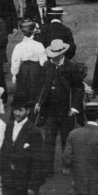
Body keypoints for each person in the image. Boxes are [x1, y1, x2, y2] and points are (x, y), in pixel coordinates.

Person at [0, 97, 62, 195]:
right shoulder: (9, 126)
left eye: (20, 110)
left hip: (25, 180)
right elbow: (4, 150)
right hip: (9, 178)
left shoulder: (34, 132)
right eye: (15, 110)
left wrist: (33, 185)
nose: (17, 113)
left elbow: (38, 161)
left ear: (27, 111)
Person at [33, 38, 85, 180]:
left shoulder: (71, 68)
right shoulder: (47, 66)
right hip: (50, 110)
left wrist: (74, 107)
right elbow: (42, 85)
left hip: (66, 110)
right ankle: (47, 169)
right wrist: (39, 102)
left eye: (56, 57)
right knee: (48, 140)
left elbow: (78, 88)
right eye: (52, 57)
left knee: (66, 139)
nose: (53, 59)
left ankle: (67, 165)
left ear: (62, 54)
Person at [9, 17, 47, 100]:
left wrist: (14, 74)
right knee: (35, 91)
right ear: (34, 30)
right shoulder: (39, 45)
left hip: (23, 70)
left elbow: (15, 62)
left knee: (23, 91)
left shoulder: (19, 46)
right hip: (36, 70)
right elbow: (43, 62)